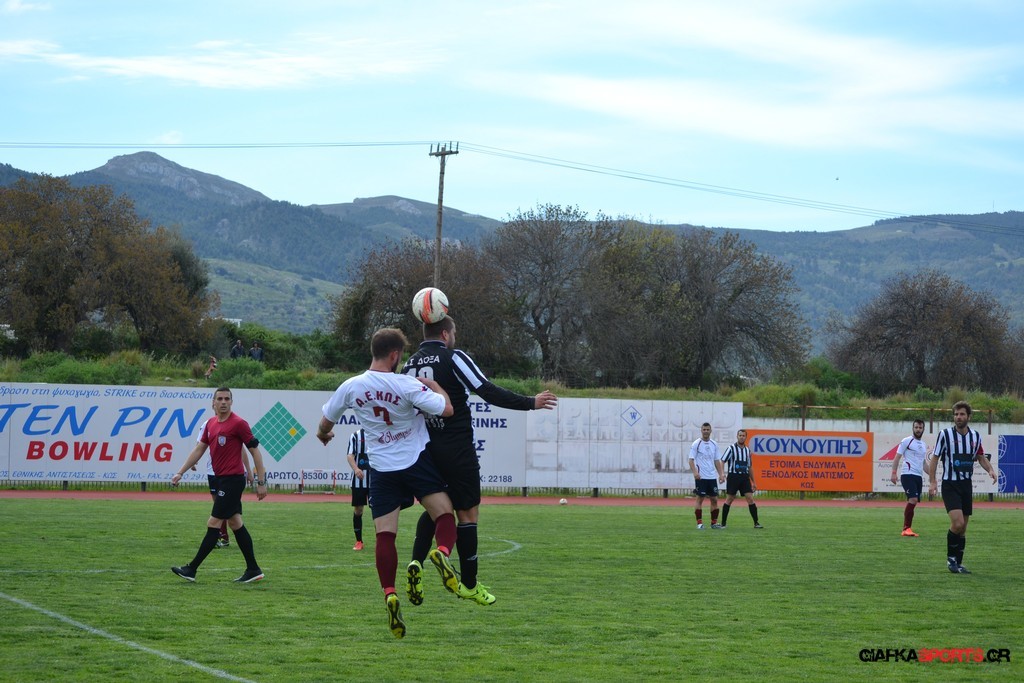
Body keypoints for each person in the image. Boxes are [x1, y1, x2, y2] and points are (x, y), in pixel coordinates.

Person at [401, 315, 558, 607]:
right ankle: (469, 584)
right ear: (445, 334)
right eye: (454, 332)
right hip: (457, 449)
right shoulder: (453, 357)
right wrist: (530, 403)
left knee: (439, 510)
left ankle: (416, 563)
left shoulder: (409, 365)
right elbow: (486, 390)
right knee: (468, 514)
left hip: (425, 450)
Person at [316, 327, 459, 639]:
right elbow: (447, 409)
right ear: (395, 355)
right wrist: (435, 386)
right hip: (415, 461)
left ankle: (390, 594)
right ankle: (442, 552)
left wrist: (324, 434)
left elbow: (325, 422)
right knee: (445, 514)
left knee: (385, 535)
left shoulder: (352, 386)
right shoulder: (406, 384)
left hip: (381, 468)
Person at [170, 387, 268, 583]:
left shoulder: (239, 423)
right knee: (235, 523)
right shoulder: (210, 424)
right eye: (220, 399)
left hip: (233, 480)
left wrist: (261, 481)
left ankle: (191, 569)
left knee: (213, 523)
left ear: (231, 402)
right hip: (222, 479)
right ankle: (253, 569)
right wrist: (180, 472)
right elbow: (199, 449)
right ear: (213, 403)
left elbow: (255, 451)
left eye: (227, 399)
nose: (223, 402)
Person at [926, 401, 997, 574]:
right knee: (957, 523)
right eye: (956, 414)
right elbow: (935, 458)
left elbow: (980, 457)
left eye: (962, 414)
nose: (958, 417)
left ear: (968, 417)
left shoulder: (975, 436)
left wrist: (990, 470)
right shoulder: (945, 435)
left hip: (966, 485)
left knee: (963, 527)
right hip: (950, 484)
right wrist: (933, 481)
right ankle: (951, 560)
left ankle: (959, 563)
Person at [890, 418, 930, 537]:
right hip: (907, 474)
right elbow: (897, 457)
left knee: (914, 501)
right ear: (913, 428)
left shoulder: (923, 445)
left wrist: (933, 477)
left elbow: (923, 463)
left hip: (918, 476)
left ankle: (908, 528)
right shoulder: (906, 441)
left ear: (923, 429)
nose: (918, 429)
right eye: (916, 427)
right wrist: (893, 473)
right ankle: (906, 528)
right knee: (913, 499)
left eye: (920, 427)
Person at [720, 428, 762, 529]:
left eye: (743, 436)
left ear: (746, 437)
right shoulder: (731, 448)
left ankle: (756, 523)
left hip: (744, 477)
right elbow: (722, 461)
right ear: (737, 436)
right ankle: (723, 523)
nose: (741, 437)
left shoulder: (747, 450)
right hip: (733, 477)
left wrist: (754, 482)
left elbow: (750, 467)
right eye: (740, 435)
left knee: (750, 498)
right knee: (729, 499)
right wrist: (722, 474)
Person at [688, 422, 725, 529]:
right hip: (701, 477)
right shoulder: (696, 443)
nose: (706, 431)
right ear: (701, 430)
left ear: (710, 431)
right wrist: (695, 473)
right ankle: (699, 523)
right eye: (704, 429)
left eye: (707, 429)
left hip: (712, 477)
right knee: (700, 499)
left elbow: (717, 460)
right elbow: (691, 460)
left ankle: (714, 523)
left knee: (714, 499)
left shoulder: (714, 444)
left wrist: (721, 474)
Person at [346, 427, 370, 551]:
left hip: (376, 480)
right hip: (359, 480)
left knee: (378, 511)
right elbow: (350, 455)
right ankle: (359, 541)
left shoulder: (380, 432)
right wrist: (356, 469)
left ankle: (382, 542)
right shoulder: (356, 435)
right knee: (358, 510)